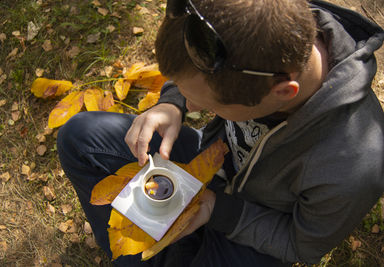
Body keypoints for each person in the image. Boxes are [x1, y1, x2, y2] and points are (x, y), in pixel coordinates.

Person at [57, 0, 384, 266]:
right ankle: (132, 253)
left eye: (202, 103)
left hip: (256, 228)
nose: (191, 105)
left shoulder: (353, 165)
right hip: (211, 162)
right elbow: (194, 70)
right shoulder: (252, 21)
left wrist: (218, 210)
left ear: (282, 92)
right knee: (81, 139)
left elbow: (303, 245)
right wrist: (172, 104)